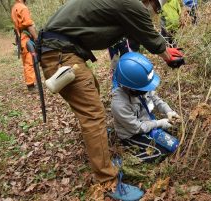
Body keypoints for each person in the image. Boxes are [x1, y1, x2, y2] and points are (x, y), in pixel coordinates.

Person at [38, 0, 184, 200]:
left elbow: (141, 32)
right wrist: (169, 57)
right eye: (156, 7)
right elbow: (149, 34)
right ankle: (107, 181)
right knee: (93, 115)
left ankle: (100, 145)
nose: (154, 11)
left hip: (62, 49)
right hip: (60, 53)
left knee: (92, 92)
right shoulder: (133, 4)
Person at [111, 52, 180, 163]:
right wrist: (159, 123)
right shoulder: (119, 105)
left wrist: (169, 111)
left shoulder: (142, 86)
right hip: (132, 134)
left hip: (148, 124)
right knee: (159, 152)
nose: (147, 90)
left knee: (173, 142)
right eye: (144, 88)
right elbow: (137, 128)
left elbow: (156, 100)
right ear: (131, 87)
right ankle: (122, 161)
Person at [11, 0, 38, 91]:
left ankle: (30, 82)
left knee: (26, 61)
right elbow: (29, 24)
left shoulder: (15, 7)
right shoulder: (23, 8)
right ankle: (31, 85)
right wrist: (36, 38)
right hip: (25, 37)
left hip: (20, 37)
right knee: (29, 61)